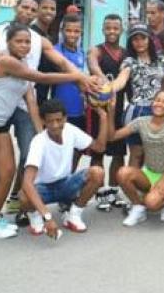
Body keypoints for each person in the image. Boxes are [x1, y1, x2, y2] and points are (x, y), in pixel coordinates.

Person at [0, 0, 97, 215]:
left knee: (29, 154)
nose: (29, 12)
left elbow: (60, 63)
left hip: (23, 106)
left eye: (33, 9)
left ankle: (17, 201)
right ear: (16, 7)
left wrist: (80, 76)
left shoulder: (38, 40)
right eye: (25, 7)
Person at [0, 23, 84, 239]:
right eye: (19, 41)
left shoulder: (22, 63)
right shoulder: (6, 61)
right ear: (8, 43)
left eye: (27, 41)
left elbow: (31, 100)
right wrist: (78, 77)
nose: (24, 45)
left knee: (8, 172)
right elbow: (42, 78)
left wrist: (41, 136)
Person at [20, 98, 108, 237]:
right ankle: (35, 216)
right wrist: (47, 217)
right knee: (23, 196)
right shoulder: (39, 142)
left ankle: (74, 215)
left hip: (65, 184)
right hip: (43, 189)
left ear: (65, 118)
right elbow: (27, 182)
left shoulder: (71, 131)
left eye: (59, 120)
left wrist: (103, 117)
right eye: (50, 121)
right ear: (43, 121)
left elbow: (100, 147)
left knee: (97, 173)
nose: (55, 125)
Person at [110, 90, 164, 226]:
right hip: (149, 172)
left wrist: (163, 180)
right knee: (122, 173)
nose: (159, 104)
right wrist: (109, 112)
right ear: (152, 102)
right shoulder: (141, 122)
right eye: (157, 100)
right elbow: (113, 136)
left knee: (152, 203)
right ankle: (138, 207)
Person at [109, 24, 164, 168]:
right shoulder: (129, 61)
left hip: (159, 110)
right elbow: (121, 80)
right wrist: (109, 88)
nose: (139, 42)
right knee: (137, 154)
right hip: (137, 111)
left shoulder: (162, 61)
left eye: (143, 38)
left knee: (155, 153)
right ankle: (131, 186)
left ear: (150, 39)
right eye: (135, 39)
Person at [87, 14, 128, 211]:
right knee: (99, 152)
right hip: (98, 110)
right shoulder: (97, 50)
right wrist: (103, 80)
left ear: (122, 29)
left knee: (119, 153)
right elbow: (93, 64)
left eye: (115, 28)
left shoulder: (126, 54)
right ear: (103, 30)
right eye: (108, 28)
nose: (112, 31)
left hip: (118, 110)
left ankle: (113, 189)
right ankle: (100, 191)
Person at [50, 14, 88, 169]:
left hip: (80, 110)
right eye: (69, 30)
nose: (72, 34)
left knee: (78, 149)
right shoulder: (55, 51)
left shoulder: (82, 52)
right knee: (59, 150)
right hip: (61, 110)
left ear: (81, 33)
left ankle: (69, 177)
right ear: (62, 31)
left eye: (76, 31)